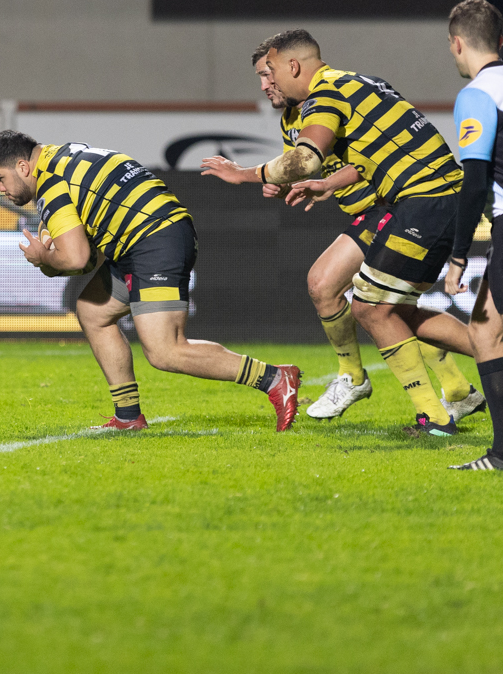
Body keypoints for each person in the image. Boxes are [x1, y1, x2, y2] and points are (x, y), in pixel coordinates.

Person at [202, 29, 475, 436]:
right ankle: (455, 390)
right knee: (367, 302)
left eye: (268, 72)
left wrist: (244, 173)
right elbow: (360, 156)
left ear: (292, 65)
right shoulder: (341, 92)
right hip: (418, 200)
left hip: (413, 201)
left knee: (373, 307)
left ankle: (420, 404)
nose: (264, 85)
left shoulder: (326, 95)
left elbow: (307, 160)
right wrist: (312, 183)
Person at [0, 131, 302, 431]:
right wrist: (57, 259)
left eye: (0, 178)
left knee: (166, 351)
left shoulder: (52, 183)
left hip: (153, 240)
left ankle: (274, 378)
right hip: (150, 235)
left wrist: (45, 260)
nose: (1, 188)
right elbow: (91, 254)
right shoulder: (68, 155)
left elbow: (78, 259)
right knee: (93, 311)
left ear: (23, 166)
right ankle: (127, 416)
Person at [444, 0, 503, 468]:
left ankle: (501, 455)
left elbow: (475, 180)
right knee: (487, 330)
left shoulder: (478, 93)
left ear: (457, 43)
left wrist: (458, 255)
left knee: (485, 331)